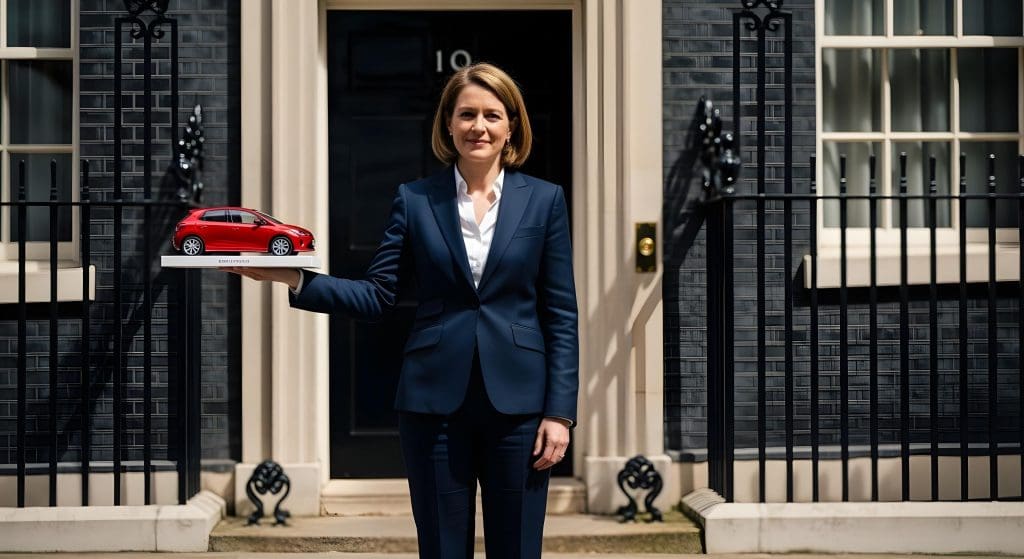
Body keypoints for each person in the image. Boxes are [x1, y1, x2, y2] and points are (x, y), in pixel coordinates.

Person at [224, 62, 578, 559]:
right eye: (467, 114)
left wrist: (560, 413)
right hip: (433, 407)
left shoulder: (545, 201)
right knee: (440, 549)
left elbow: (561, 312)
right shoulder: (415, 200)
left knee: (518, 549)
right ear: (449, 124)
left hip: (519, 410)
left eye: (492, 115)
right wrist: (292, 277)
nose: (479, 126)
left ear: (511, 125)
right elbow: (377, 294)